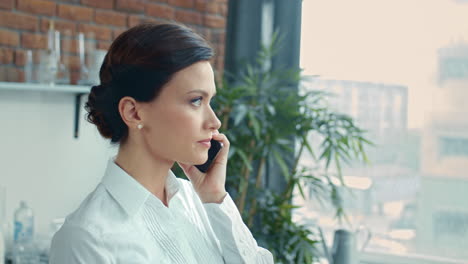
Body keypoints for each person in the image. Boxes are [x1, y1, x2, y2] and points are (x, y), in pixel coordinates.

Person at [48, 23, 274, 263]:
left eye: (210, 102)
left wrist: (215, 196)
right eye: (196, 100)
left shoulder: (201, 203)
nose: (214, 121)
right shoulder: (86, 238)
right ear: (134, 113)